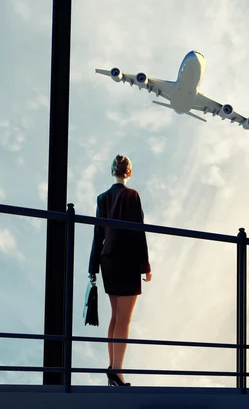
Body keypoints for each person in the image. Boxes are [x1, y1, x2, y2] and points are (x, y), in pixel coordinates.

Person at [88, 154, 152, 387]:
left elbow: (98, 234)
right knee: (124, 319)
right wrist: (145, 265)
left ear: (112, 171)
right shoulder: (132, 195)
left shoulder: (102, 198)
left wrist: (92, 266)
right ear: (129, 172)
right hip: (127, 260)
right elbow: (138, 231)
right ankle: (116, 371)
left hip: (108, 261)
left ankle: (112, 368)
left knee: (115, 317)